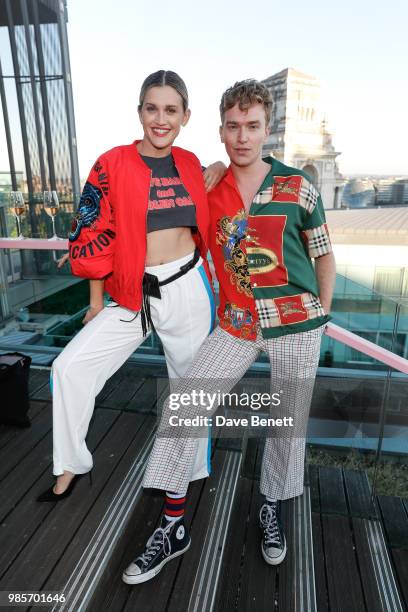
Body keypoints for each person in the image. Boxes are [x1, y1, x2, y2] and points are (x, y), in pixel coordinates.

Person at [122, 79, 336, 584]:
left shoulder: (297, 187)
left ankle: (271, 507)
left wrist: (319, 319)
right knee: (187, 405)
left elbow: (324, 254)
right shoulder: (207, 187)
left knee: (288, 422)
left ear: (267, 129)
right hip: (237, 321)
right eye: (234, 126)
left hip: (296, 321)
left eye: (253, 126)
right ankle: (173, 526)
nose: (243, 136)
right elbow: (158, 221)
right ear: (221, 130)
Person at [37, 70, 226, 502]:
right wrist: (95, 300)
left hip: (186, 285)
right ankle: (70, 465)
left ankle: (189, 471)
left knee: (188, 385)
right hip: (131, 290)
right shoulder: (111, 163)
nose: (161, 119)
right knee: (70, 368)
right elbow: (92, 231)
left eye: (171, 110)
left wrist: (216, 165)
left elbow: (224, 184)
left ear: (185, 116)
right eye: (152, 108)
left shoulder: (193, 165)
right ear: (139, 111)